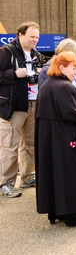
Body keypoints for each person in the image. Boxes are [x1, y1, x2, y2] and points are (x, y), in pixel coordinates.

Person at [35, 51, 76, 226]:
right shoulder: (64, 87)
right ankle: (74, 215)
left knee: (55, 175)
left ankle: (58, 211)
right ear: (62, 67)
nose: (75, 72)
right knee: (74, 174)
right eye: (73, 69)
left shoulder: (48, 86)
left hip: (53, 141)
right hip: (68, 140)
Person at [0, 22, 43, 198]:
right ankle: (5, 183)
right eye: (31, 36)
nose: (34, 40)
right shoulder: (6, 52)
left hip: (33, 104)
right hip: (14, 106)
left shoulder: (36, 55)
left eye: (37, 37)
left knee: (30, 145)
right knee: (10, 146)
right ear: (20, 35)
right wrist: (14, 74)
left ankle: (26, 177)